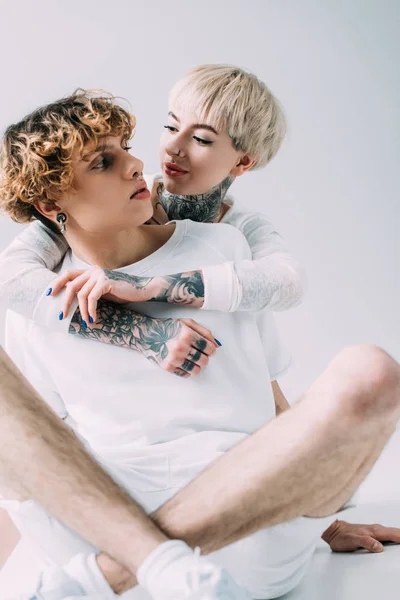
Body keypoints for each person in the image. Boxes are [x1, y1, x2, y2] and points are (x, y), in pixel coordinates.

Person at [1, 90, 400, 600]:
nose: (137, 163)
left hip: (245, 524)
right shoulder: (39, 297)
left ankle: (125, 572)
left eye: (125, 146)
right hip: (109, 519)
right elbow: (37, 448)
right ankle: (157, 565)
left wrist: (322, 517)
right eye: (105, 161)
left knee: (370, 370)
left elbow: (272, 396)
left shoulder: (220, 247)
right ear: (50, 203)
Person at [0, 65, 304, 378]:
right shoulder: (120, 200)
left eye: (200, 139)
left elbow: (287, 282)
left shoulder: (235, 232)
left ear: (242, 162)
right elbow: (10, 277)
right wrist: (144, 333)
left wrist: (147, 288)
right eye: (171, 127)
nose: (173, 148)